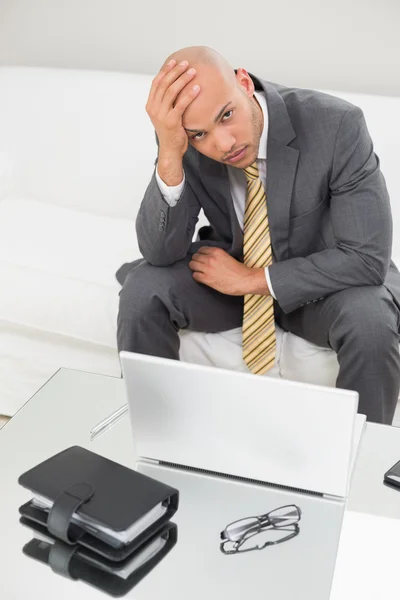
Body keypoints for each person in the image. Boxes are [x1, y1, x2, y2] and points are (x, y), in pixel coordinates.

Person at [116, 45, 400, 425]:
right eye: (200, 134)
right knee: (141, 289)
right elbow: (159, 251)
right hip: (230, 278)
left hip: (324, 289)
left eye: (227, 116)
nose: (223, 144)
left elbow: (366, 256)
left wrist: (252, 279)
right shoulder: (182, 140)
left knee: (371, 321)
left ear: (244, 82)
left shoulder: (336, 125)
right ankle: (154, 436)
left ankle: (364, 462)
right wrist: (170, 150)